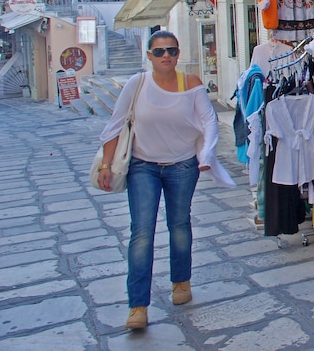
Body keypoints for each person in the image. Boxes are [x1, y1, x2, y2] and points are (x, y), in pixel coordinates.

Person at [97, 30, 235, 330]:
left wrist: (207, 154)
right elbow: (116, 125)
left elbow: (210, 122)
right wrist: (106, 163)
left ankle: (181, 281)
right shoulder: (138, 84)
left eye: (171, 50)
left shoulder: (192, 84)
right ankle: (137, 305)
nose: (166, 57)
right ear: (149, 55)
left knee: (180, 224)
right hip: (142, 166)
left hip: (182, 166)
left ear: (178, 53)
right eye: (159, 51)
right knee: (142, 231)